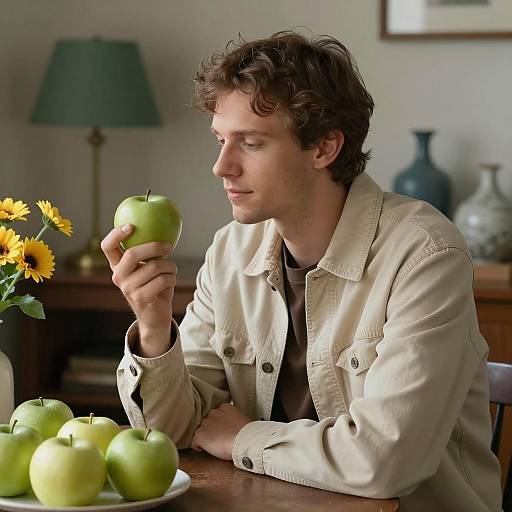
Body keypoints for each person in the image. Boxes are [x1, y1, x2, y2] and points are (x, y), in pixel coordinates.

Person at [101, 30, 502, 511]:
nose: (221, 167)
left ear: (324, 148)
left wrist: (244, 439)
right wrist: (152, 325)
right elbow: (176, 432)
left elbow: (384, 460)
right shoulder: (230, 251)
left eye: (250, 143)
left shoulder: (425, 255)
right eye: (220, 140)